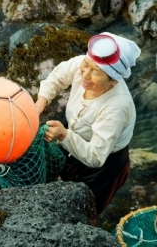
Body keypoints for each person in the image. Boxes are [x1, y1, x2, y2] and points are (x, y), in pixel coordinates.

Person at [35, 32, 141, 214]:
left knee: (83, 211)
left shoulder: (116, 106)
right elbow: (56, 78)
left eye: (96, 72)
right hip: (74, 141)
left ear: (113, 81)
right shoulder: (84, 64)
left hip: (105, 164)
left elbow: (96, 156)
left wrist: (64, 135)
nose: (86, 74)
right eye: (86, 65)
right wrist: (39, 105)